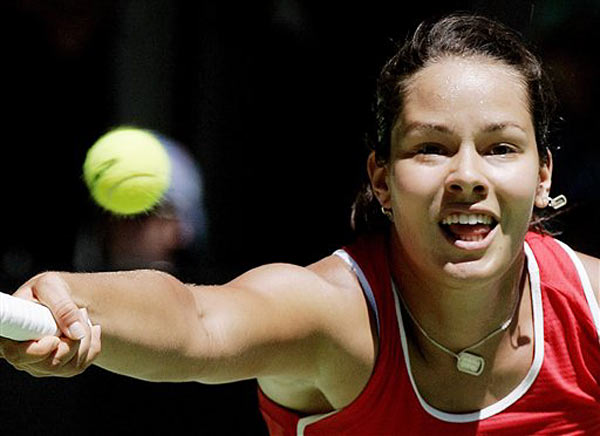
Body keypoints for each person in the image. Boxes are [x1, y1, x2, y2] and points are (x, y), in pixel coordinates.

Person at [1, 13, 599, 434]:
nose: (467, 174)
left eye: (500, 147)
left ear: (543, 175)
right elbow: (200, 320)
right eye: (431, 148)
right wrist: (74, 297)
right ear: (382, 179)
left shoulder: (593, 308)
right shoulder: (332, 319)